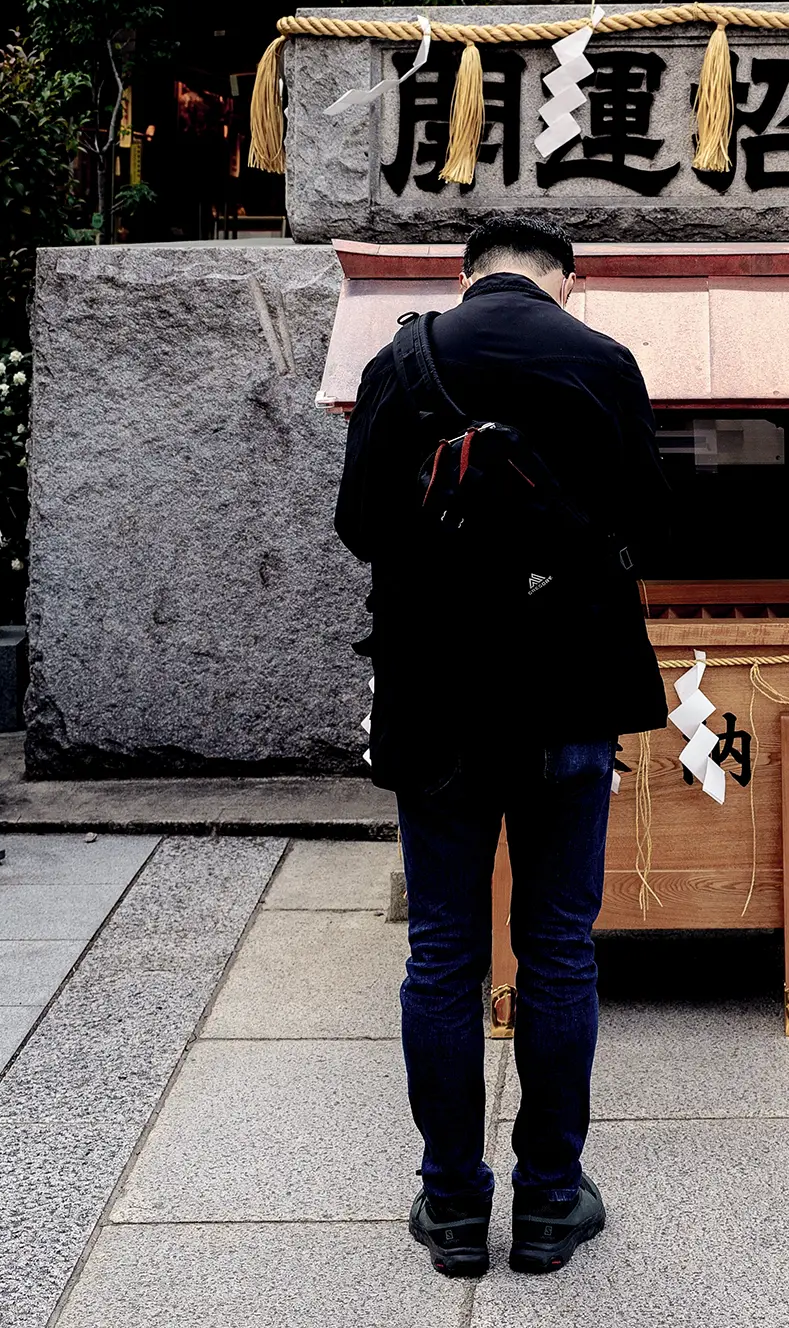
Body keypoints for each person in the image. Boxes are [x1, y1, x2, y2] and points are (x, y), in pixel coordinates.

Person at [336, 212, 670, 1280]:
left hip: (437, 698)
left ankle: (448, 1207)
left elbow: (356, 523)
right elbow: (648, 530)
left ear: (466, 274)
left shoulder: (402, 362)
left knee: (442, 952)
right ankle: (546, 1204)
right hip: (567, 693)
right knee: (559, 948)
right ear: (567, 279)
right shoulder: (603, 361)